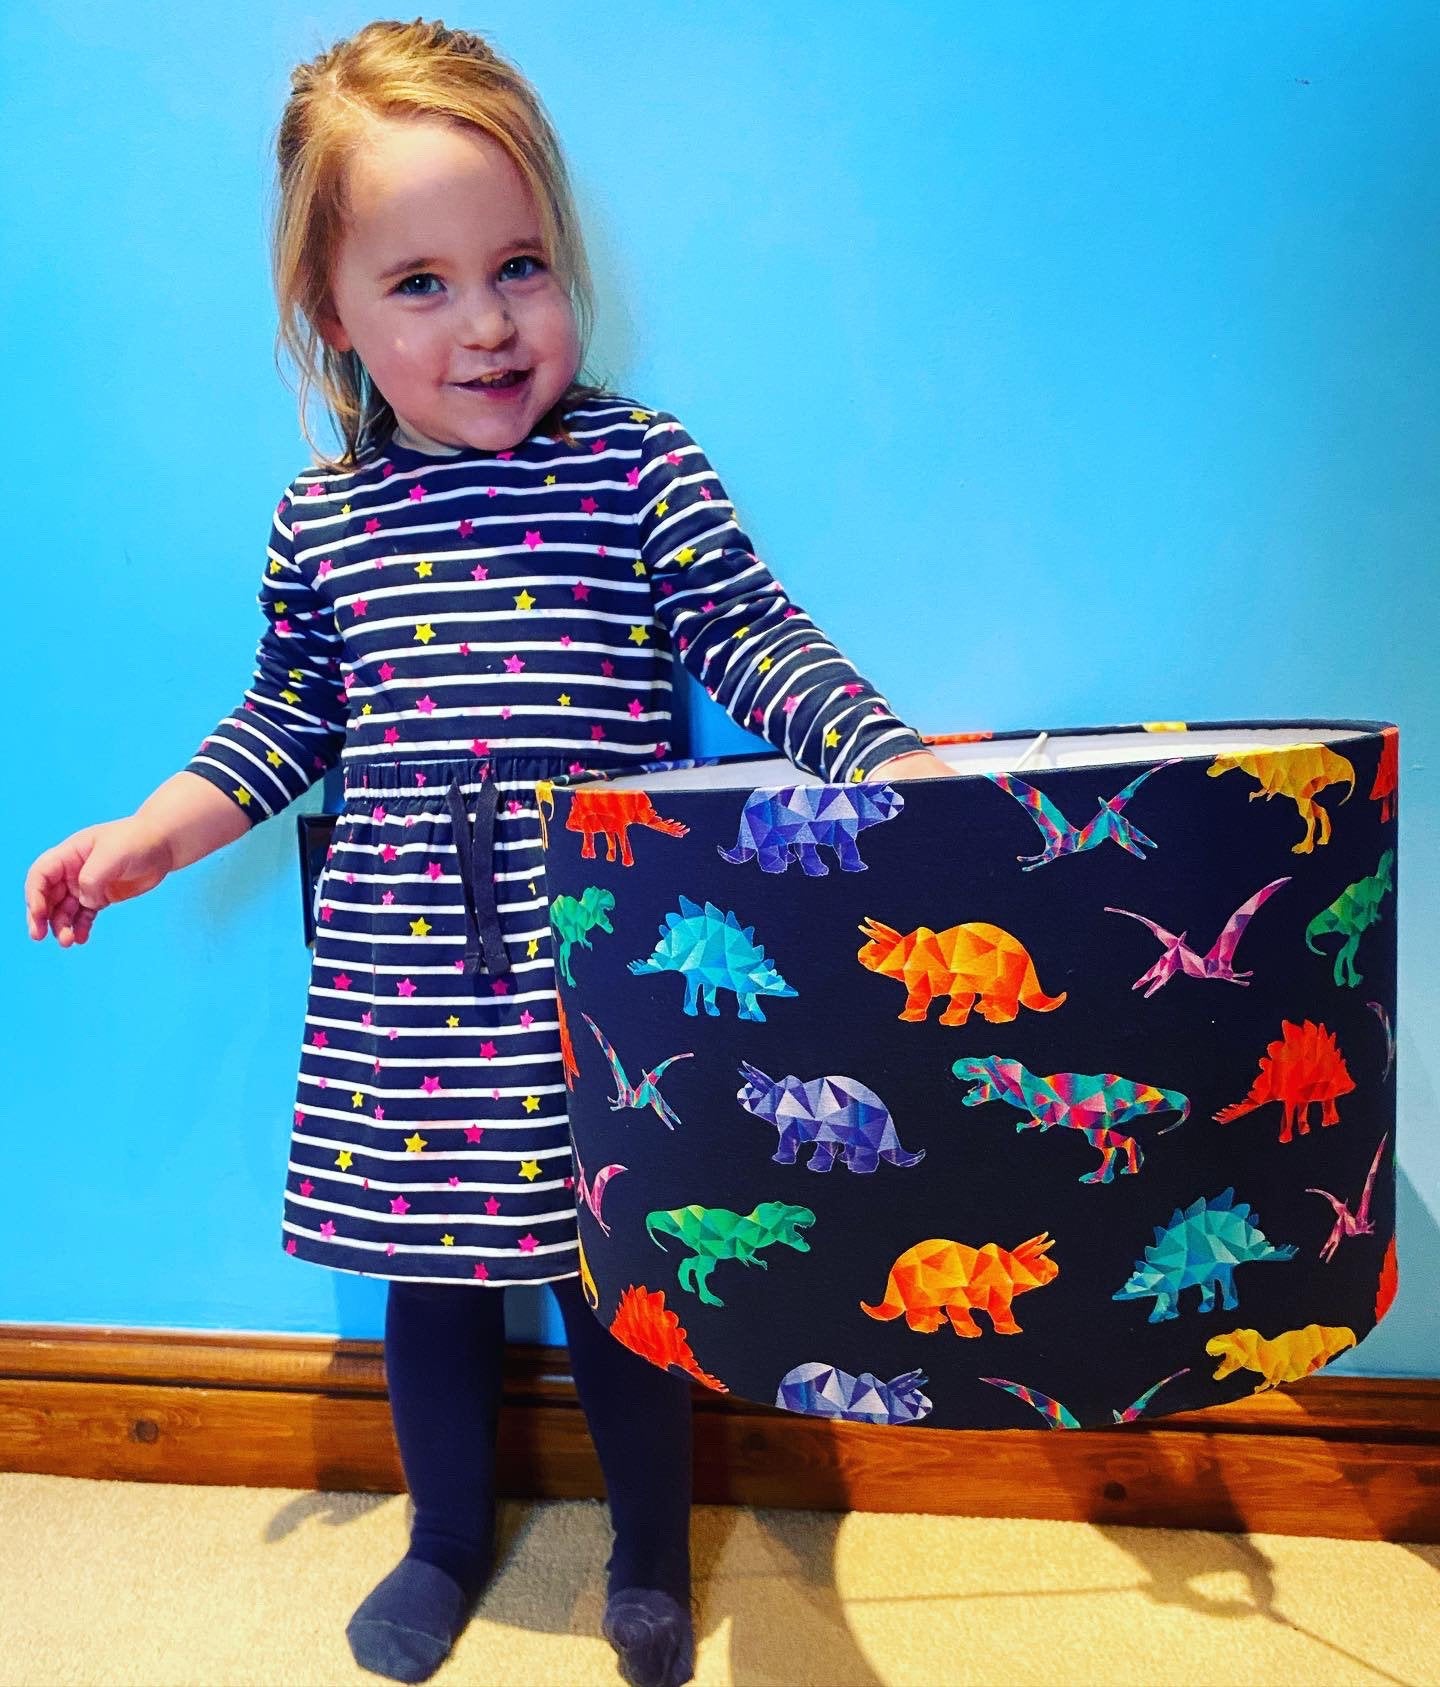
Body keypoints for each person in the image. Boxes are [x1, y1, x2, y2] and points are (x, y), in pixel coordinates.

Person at [23, 18, 957, 1686]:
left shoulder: (638, 466)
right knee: (431, 1280)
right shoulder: (325, 520)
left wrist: (879, 755)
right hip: (408, 988)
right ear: (333, 317)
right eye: (421, 284)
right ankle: (444, 1535)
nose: (486, 322)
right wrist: (153, 838)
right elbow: (285, 719)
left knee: (621, 1264)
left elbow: (749, 634)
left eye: (519, 266)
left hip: (600, 969)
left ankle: (650, 1548)